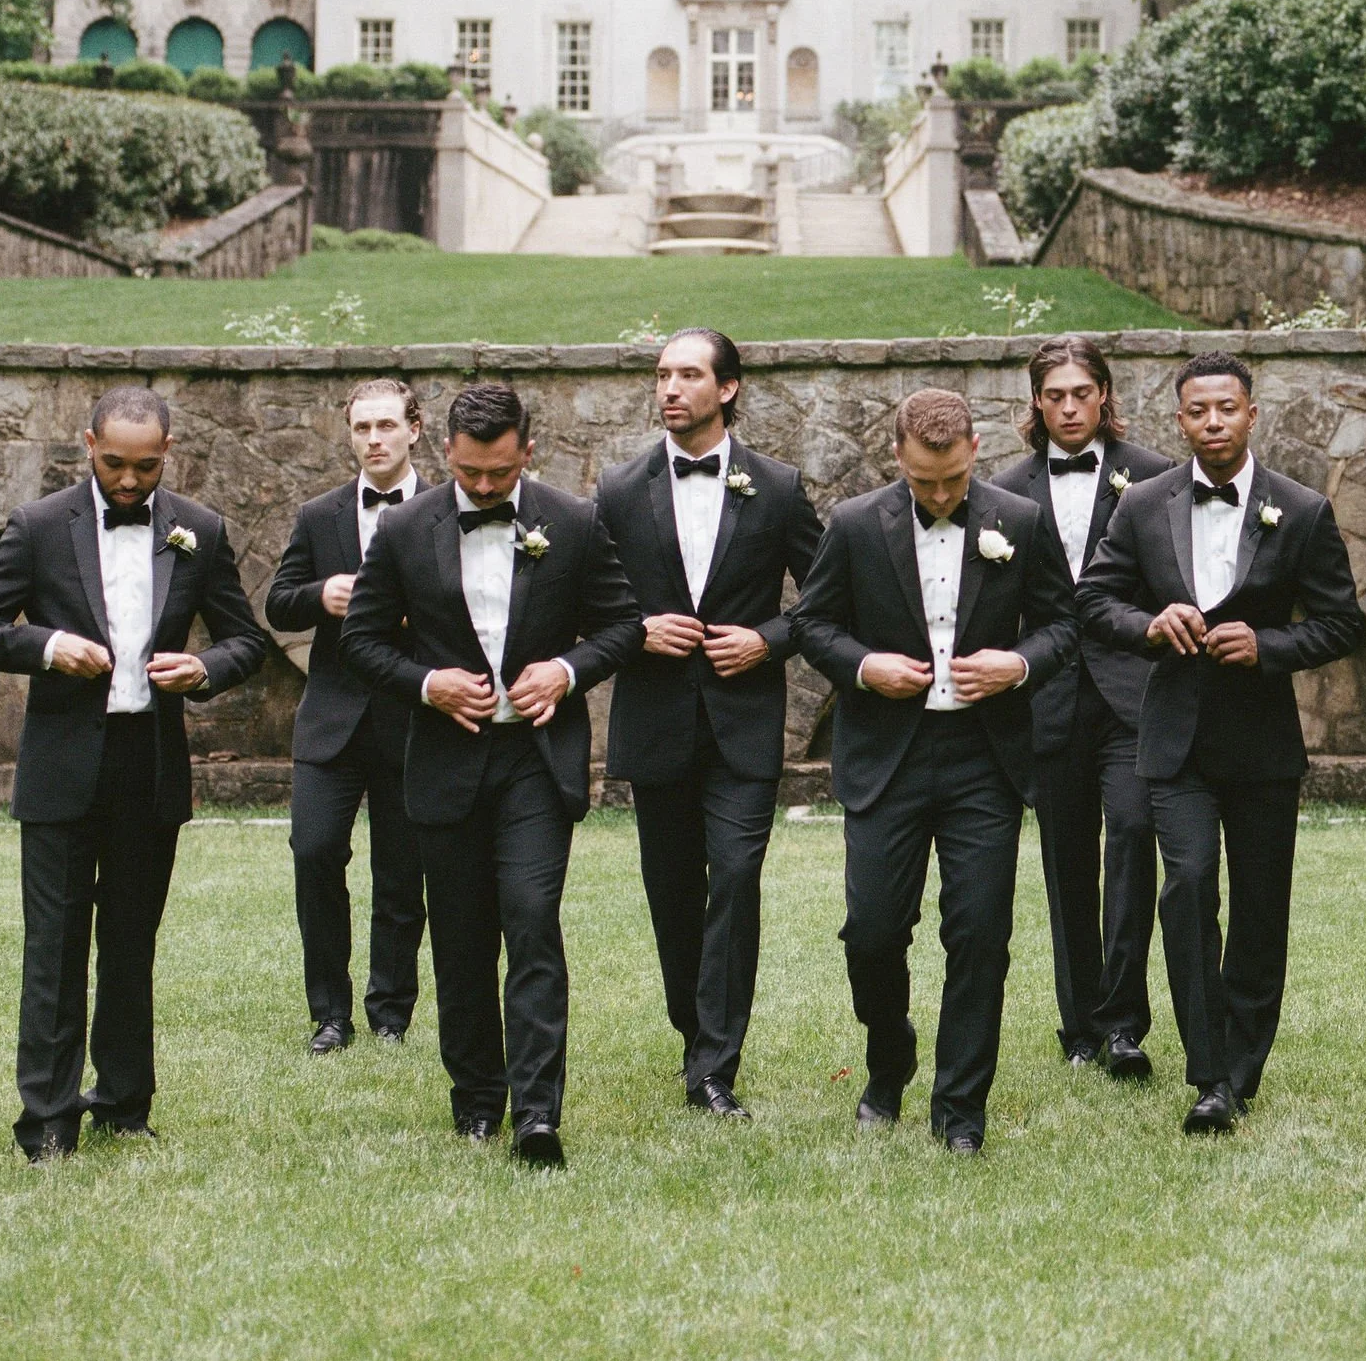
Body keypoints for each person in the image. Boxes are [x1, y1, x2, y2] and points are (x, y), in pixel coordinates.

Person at [0, 387, 267, 1160]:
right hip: (62, 767)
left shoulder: (201, 529)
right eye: (115, 463)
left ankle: (123, 1103)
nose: (129, 482)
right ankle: (47, 1120)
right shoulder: (40, 526)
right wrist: (48, 647)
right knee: (54, 947)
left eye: (146, 467)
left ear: (168, 452)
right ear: (87, 445)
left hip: (148, 764)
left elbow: (247, 640)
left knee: (130, 943)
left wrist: (205, 666)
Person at [341, 381, 640, 1167]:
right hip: (446, 756)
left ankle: (538, 1114)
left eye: (500, 475)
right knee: (463, 939)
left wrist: (568, 672)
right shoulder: (405, 529)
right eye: (471, 473)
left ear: (527, 455)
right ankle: (476, 1098)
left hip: (535, 763)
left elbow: (622, 625)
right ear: (446, 453)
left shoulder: (572, 522)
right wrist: (426, 685)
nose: (483, 486)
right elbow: (361, 642)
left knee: (533, 920)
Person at [1079, 352, 1362, 1136]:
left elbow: (1342, 622)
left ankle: (1244, 1066)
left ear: (1250, 415)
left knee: (1262, 910)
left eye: (1226, 409)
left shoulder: (1301, 509)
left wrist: (1269, 646)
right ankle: (1209, 1078)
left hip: (1264, 746)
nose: (1212, 423)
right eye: (1197, 411)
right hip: (1171, 742)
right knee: (1188, 888)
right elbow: (1095, 602)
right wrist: (1148, 624)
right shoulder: (1141, 505)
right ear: (1180, 420)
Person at [794, 389, 1076, 1153]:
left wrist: (1018, 663)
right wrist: (864, 666)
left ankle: (960, 1109)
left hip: (985, 758)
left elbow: (1064, 624)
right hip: (888, 756)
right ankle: (889, 1061)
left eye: (951, 480)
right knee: (873, 935)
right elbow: (811, 624)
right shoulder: (855, 525)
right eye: (924, 483)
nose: (942, 495)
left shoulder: (1020, 520)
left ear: (974, 450)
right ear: (898, 458)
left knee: (980, 933)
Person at [595, 329, 825, 1117]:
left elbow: (827, 598)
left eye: (687, 375)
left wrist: (769, 639)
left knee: (733, 877)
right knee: (671, 891)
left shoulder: (781, 487)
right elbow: (592, 601)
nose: (669, 388)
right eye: (662, 375)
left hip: (742, 725)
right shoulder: (619, 489)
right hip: (656, 719)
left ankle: (715, 1063)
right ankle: (695, 1033)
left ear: (727, 389)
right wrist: (638, 631)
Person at [991, 335, 1172, 1079]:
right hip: (1047, 698)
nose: (1069, 407)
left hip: (1133, 692)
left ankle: (1124, 1022)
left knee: (1131, 836)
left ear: (1105, 395)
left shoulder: (1158, 478)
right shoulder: (1003, 492)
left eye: (1082, 392)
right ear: (1037, 402)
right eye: (1055, 395)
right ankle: (1079, 1026)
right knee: (1067, 859)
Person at [266, 377, 431, 1056]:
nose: (373, 440)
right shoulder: (319, 515)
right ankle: (329, 1013)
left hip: (414, 719)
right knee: (313, 853)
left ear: (414, 429)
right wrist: (319, 594)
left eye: (386, 426)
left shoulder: (448, 509)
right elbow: (277, 603)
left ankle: (390, 1011)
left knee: (401, 874)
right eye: (362, 428)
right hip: (332, 718)